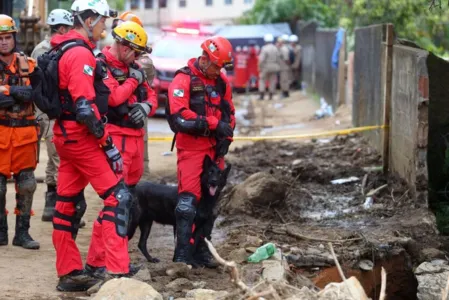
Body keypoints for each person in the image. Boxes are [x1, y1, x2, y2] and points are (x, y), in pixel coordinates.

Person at [49, 0, 137, 291]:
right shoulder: (80, 54)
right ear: (88, 20)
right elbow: (86, 109)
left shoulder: (62, 47)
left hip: (64, 136)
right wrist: (108, 144)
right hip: (81, 137)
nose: (104, 27)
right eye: (101, 21)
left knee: (65, 206)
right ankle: (117, 272)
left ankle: (70, 273)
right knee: (118, 197)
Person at [87, 21, 157, 268]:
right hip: (116, 139)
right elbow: (114, 98)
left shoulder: (134, 67)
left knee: (126, 204)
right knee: (115, 203)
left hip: (135, 141)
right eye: (135, 51)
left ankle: (115, 258)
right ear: (124, 46)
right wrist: (133, 82)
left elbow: (152, 95)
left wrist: (146, 106)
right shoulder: (101, 65)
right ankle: (97, 262)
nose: (137, 57)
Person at [167, 36, 236, 266]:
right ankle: (182, 255)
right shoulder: (183, 79)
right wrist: (213, 124)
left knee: (210, 204)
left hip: (215, 149)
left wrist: (227, 137)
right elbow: (179, 114)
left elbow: (230, 112)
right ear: (205, 58)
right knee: (188, 203)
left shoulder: (221, 82)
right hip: (192, 147)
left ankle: (202, 251)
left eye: (222, 67)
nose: (219, 71)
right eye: (217, 65)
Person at [0, 14, 40, 250]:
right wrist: (16, 92)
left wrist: (8, 91)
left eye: (7, 37)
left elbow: (36, 94)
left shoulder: (29, 65)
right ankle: (1, 232)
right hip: (0, 133)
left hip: (25, 135)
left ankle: (22, 234)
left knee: (26, 185)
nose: (3, 42)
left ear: (14, 37)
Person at [31, 9, 73, 222]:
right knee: (57, 157)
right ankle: (59, 208)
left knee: (54, 158)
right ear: (63, 28)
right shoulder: (46, 50)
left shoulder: (47, 49)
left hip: (49, 110)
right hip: (47, 112)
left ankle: (51, 203)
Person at [258, 33, 280, 100]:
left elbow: (261, 59)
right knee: (272, 81)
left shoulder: (264, 48)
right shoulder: (275, 48)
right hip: (274, 66)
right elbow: (278, 58)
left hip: (266, 67)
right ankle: (271, 95)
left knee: (262, 80)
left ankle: (262, 95)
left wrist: (260, 67)